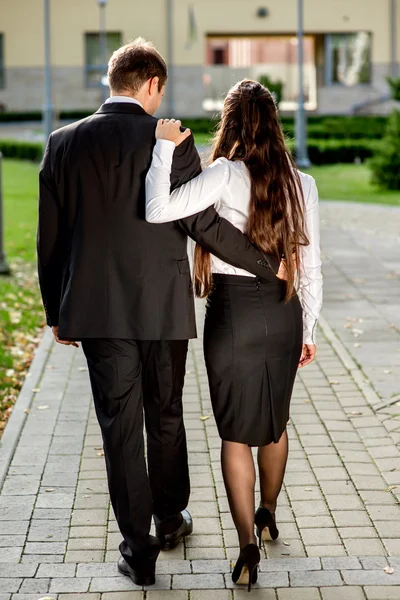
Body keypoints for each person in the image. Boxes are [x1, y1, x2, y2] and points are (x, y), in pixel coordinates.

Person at [37, 42, 283, 587]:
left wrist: (57, 309)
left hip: (96, 311)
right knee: (165, 413)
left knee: (119, 426)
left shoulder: (62, 143)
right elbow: (205, 225)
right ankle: (170, 519)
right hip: (162, 308)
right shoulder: (172, 142)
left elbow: (48, 240)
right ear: (151, 84)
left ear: (114, 81)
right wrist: (266, 265)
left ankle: (138, 547)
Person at [145, 79, 323, 591]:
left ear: (231, 124)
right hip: (284, 313)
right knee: (274, 420)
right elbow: (309, 266)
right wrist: (307, 327)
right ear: (273, 123)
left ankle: (246, 543)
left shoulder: (223, 173)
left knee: (234, 434)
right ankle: (268, 512)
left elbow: (160, 210)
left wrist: (163, 151)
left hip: (231, 313)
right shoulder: (301, 183)